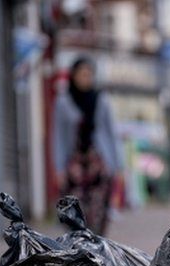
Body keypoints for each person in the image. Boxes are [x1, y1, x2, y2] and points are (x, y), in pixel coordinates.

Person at [52, 57, 124, 235]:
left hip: (99, 164)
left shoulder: (101, 100)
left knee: (99, 212)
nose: (86, 78)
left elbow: (112, 134)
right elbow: (58, 136)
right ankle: (79, 251)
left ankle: (97, 251)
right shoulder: (63, 102)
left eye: (89, 74)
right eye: (82, 74)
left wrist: (119, 166)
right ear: (73, 76)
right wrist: (59, 168)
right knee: (74, 213)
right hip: (74, 166)